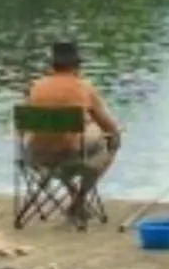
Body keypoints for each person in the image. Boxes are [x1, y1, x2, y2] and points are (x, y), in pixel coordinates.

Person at [24, 40, 121, 215]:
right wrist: (113, 132)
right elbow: (108, 126)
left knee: (61, 138)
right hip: (71, 157)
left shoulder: (36, 87)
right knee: (111, 140)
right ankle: (80, 197)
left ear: (52, 66)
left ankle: (72, 191)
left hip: (35, 157)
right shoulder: (84, 87)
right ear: (77, 66)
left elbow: (29, 123)